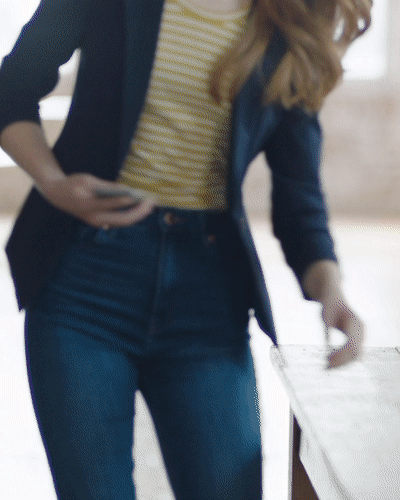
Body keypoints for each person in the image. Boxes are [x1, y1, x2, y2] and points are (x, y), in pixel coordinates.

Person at [0, 0, 371, 498]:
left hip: (209, 300)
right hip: (84, 283)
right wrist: (53, 182)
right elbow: (12, 87)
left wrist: (332, 291)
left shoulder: (290, 24)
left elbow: (299, 198)